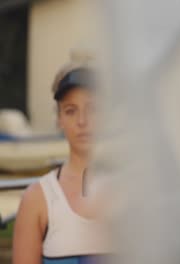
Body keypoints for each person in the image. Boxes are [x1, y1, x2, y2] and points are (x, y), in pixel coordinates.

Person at [12, 57, 110, 263]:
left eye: (92, 108)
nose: (82, 121)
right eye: (71, 110)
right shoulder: (37, 199)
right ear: (59, 119)